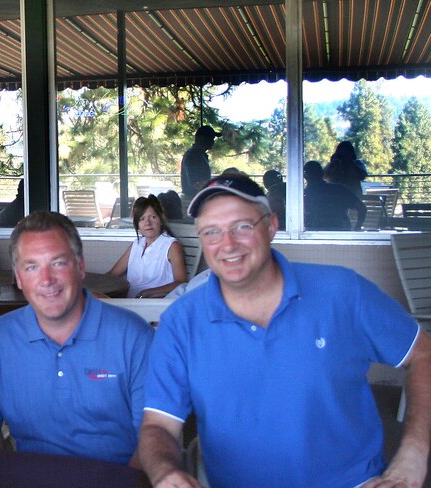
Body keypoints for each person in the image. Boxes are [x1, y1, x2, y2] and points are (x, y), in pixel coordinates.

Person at [138, 174, 431, 487]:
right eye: (212, 232)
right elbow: (158, 425)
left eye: (242, 226)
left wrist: (414, 453)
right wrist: (165, 472)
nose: (228, 244)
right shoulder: (181, 322)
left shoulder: (342, 292)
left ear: (271, 226)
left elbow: (423, 354)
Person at [0, 211, 154, 465]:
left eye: (58, 263)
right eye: (32, 267)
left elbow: (153, 433)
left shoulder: (134, 337)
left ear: (80, 267)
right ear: (18, 278)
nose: (46, 280)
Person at [107, 195, 187, 298]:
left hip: (152, 303)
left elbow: (181, 282)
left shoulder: (171, 246)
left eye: (153, 217)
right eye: (142, 219)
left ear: (161, 219)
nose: (148, 223)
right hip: (130, 301)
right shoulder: (137, 244)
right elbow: (113, 274)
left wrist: (148, 292)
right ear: (138, 225)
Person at [304, 160, 366, 231]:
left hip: (312, 235)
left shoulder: (302, 195)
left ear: (305, 176)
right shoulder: (339, 190)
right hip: (341, 233)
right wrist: (357, 227)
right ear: (322, 173)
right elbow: (362, 208)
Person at [180, 125, 221, 200]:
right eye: (210, 138)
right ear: (201, 138)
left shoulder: (197, 154)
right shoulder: (195, 155)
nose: (213, 141)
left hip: (195, 198)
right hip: (193, 200)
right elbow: (197, 183)